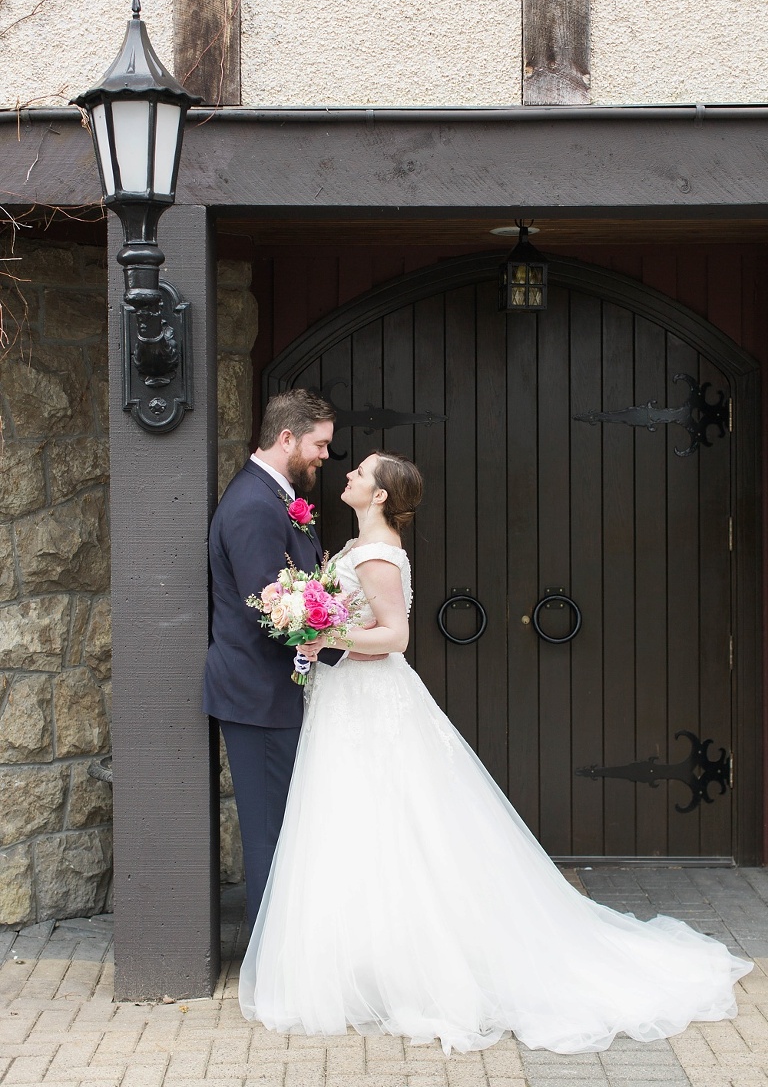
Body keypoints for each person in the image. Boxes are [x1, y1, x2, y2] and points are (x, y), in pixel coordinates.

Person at [238, 451, 752, 1055]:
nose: (348, 475)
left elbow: (396, 637)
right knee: (354, 821)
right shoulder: (357, 547)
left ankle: (408, 965)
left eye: (360, 473)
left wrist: (323, 633)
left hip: (370, 699)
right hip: (345, 695)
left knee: (390, 819)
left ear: (379, 496)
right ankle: (361, 960)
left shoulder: (378, 555)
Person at [204, 389, 347, 933]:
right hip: (257, 694)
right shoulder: (251, 506)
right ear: (287, 438)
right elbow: (275, 606)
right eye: (320, 444)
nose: (324, 457)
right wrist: (344, 643)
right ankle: (268, 961)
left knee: (286, 828)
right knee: (269, 833)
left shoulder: (275, 497)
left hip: (274, 692)